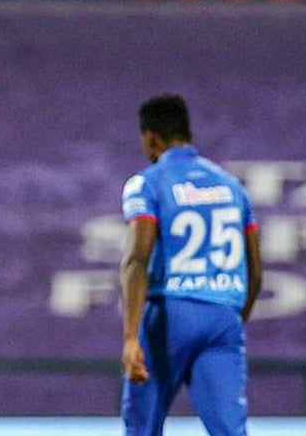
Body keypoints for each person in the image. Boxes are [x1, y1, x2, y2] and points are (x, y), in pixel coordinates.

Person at [119, 94, 263, 436]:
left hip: (169, 316)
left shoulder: (148, 182)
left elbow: (137, 259)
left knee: (142, 427)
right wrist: (231, 318)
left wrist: (130, 337)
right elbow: (255, 270)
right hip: (223, 317)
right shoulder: (232, 187)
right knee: (230, 431)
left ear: (150, 137)